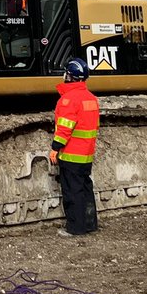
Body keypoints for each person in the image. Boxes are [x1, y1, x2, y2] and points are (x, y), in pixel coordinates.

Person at [48, 58, 98, 236]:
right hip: (86, 154)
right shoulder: (91, 99)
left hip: (71, 155)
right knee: (86, 189)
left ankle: (76, 228)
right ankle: (90, 224)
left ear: (69, 76)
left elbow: (64, 128)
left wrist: (55, 148)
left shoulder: (68, 100)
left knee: (72, 192)